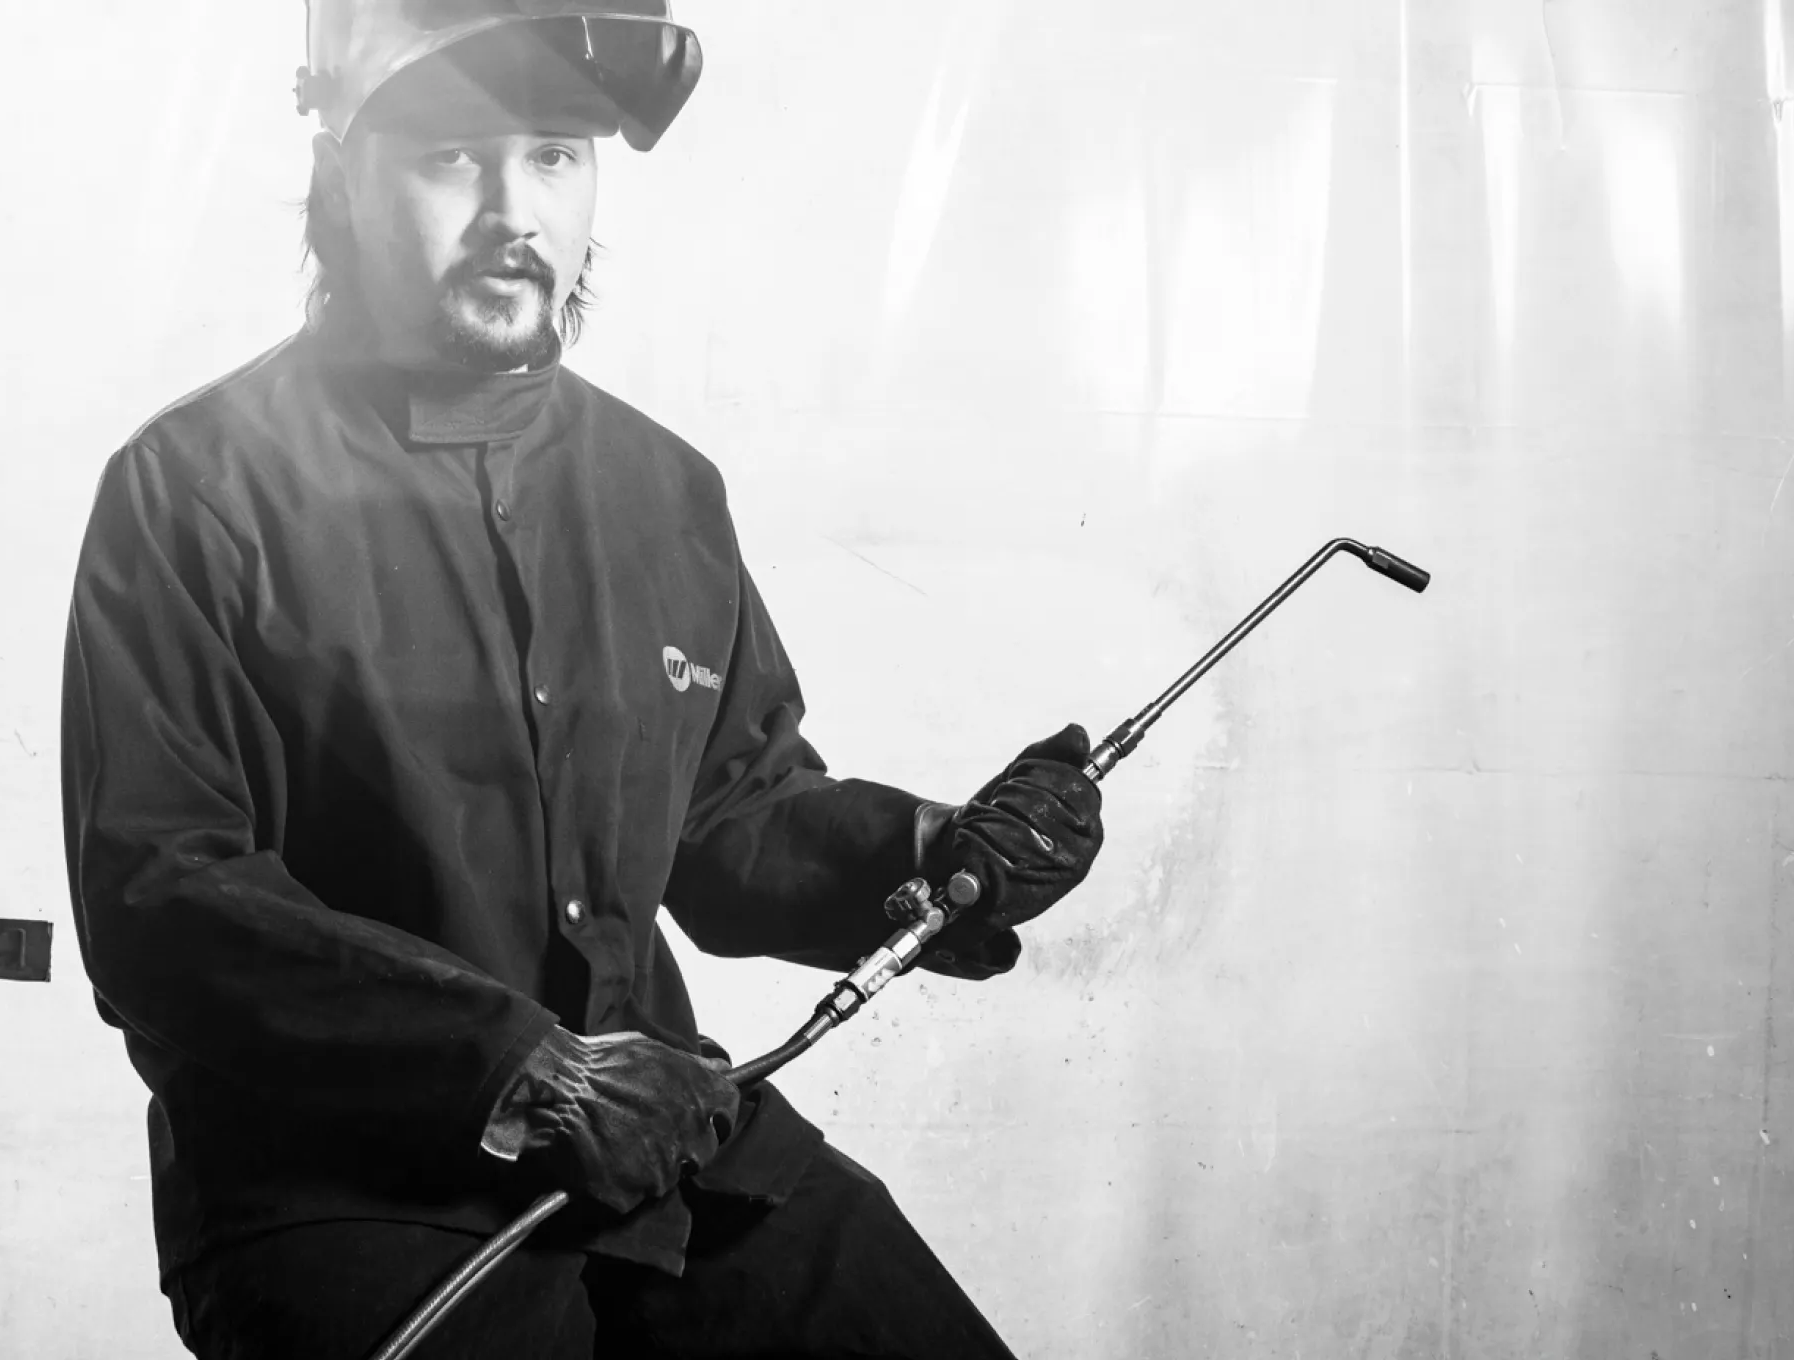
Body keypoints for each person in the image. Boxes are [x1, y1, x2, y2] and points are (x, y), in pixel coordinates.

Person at [57, 4, 1108, 1355]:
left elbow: (729, 822)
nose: (514, 213)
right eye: (453, 158)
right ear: (345, 175)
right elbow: (164, 899)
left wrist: (934, 850)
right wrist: (522, 1068)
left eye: (554, 156)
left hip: (670, 1147)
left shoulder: (661, 490)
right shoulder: (193, 491)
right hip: (344, 1192)